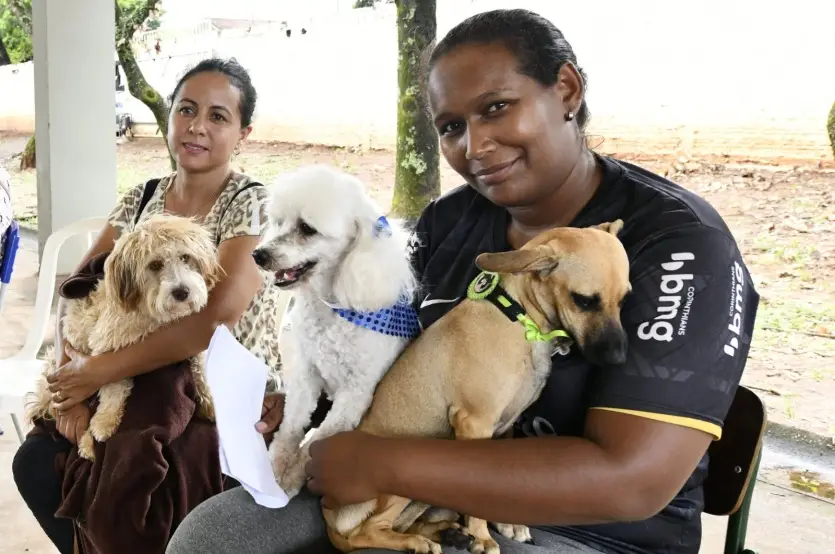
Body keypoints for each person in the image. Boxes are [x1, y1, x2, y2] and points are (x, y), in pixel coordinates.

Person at [166, 9, 760, 554]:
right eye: (451, 126)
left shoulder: (678, 245)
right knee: (213, 537)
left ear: (566, 90)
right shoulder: (449, 223)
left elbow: (632, 481)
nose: (475, 146)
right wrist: (309, 402)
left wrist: (383, 464)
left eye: (496, 107)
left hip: (588, 532)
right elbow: (393, 365)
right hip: (410, 491)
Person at [12, 57, 287, 554]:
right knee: (35, 462)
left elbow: (213, 320)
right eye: (187, 109)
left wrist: (96, 373)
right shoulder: (141, 199)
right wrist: (71, 393)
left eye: (218, 116)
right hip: (129, 378)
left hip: (220, 394)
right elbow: (80, 293)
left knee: (146, 480)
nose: (197, 126)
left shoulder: (252, 203)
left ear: (243, 133)